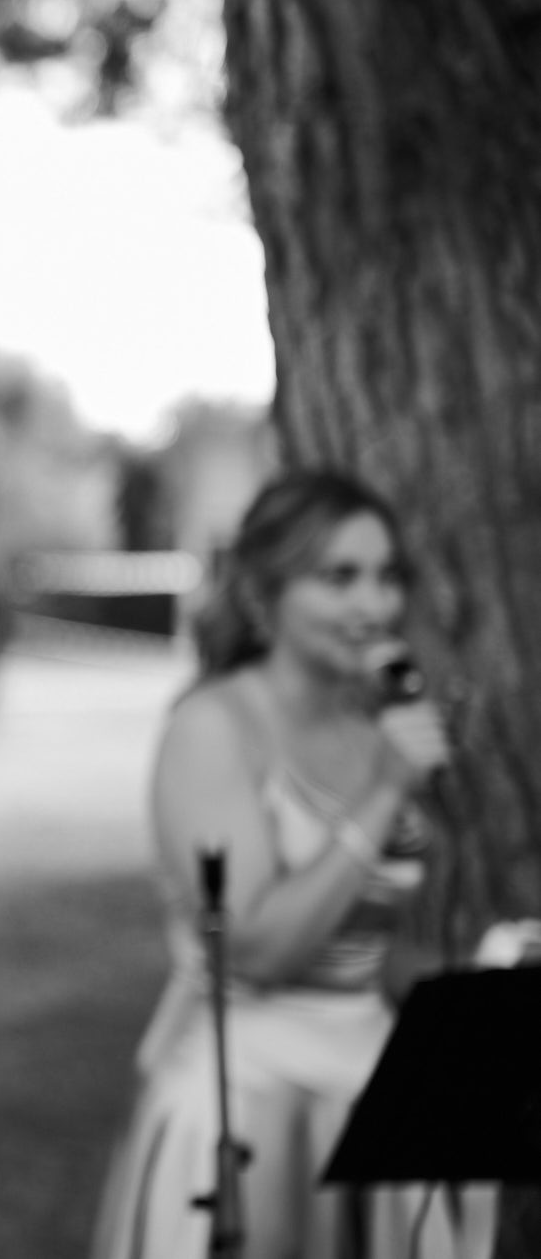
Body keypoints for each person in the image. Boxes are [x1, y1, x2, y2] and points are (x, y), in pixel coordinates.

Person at [89, 469, 483, 1259]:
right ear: (263, 594)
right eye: (339, 578)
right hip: (244, 1107)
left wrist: (480, 980)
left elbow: (359, 947)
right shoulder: (211, 728)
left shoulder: (376, 727)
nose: (375, 605)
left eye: (386, 576)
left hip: (373, 1099)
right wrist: (384, 794)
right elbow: (260, 950)